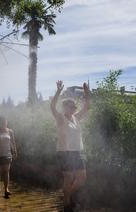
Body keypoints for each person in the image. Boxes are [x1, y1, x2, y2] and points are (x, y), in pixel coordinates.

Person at [50, 80, 89, 211]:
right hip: (65, 152)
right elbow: (52, 106)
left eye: (74, 107)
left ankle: (66, 197)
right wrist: (58, 91)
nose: (74, 109)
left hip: (77, 152)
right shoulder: (61, 118)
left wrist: (87, 93)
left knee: (82, 177)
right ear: (65, 107)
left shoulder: (76, 118)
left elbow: (87, 107)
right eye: (71, 107)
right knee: (69, 178)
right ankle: (67, 203)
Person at [0, 116, 17, 199]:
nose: (3, 124)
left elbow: (13, 142)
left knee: (6, 171)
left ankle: (6, 189)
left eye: (5, 122)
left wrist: (15, 151)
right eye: (2, 122)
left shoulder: (10, 131)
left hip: (7, 154)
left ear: (6, 122)